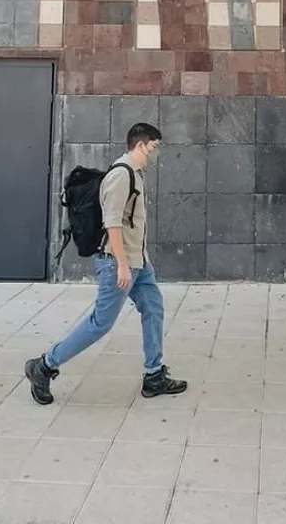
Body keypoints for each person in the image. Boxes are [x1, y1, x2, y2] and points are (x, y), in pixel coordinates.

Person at [24, 122, 187, 404]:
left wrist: (137, 261)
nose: (156, 152)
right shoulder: (121, 176)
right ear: (140, 145)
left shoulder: (135, 174)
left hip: (138, 262)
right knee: (100, 323)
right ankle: (44, 365)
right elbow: (112, 224)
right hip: (118, 262)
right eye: (154, 146)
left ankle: (154, 375)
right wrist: (122, 265)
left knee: (153, 308)